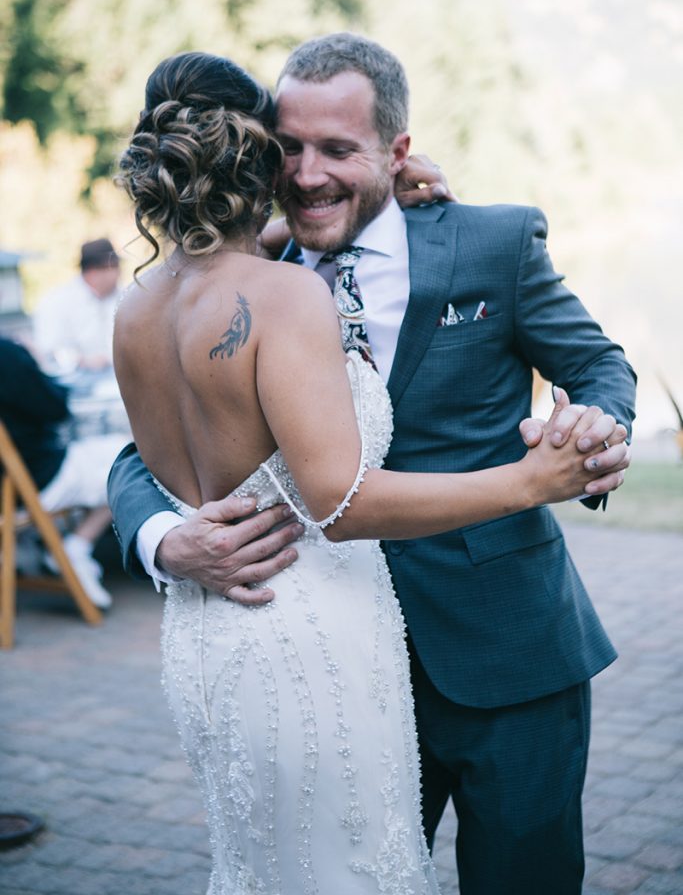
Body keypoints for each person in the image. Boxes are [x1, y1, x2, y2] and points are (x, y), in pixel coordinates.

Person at [110, 47, 634, 895]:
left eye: (338, 150)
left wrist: (594, 428)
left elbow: (599, 364)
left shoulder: (489, 241)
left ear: (396, 152)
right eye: (289, 147)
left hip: (503, 641)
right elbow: (146, 451)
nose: (308, 175)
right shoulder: (247, 273)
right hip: (327, 657)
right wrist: (164, 538)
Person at [0, 335, 127, 608]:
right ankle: (77, 546)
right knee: (130, 460)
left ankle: (28, 548)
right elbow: (55, 408)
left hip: (12, 488)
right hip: (29, 488)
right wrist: (33, 363)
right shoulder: (5, 354)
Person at [33, 237, 122, 372]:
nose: (117, 272)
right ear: (91, 272)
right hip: (75, 381)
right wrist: (82, 361)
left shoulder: (125, 296)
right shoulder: (56, 302)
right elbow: (50, 348)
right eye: (111, 267)